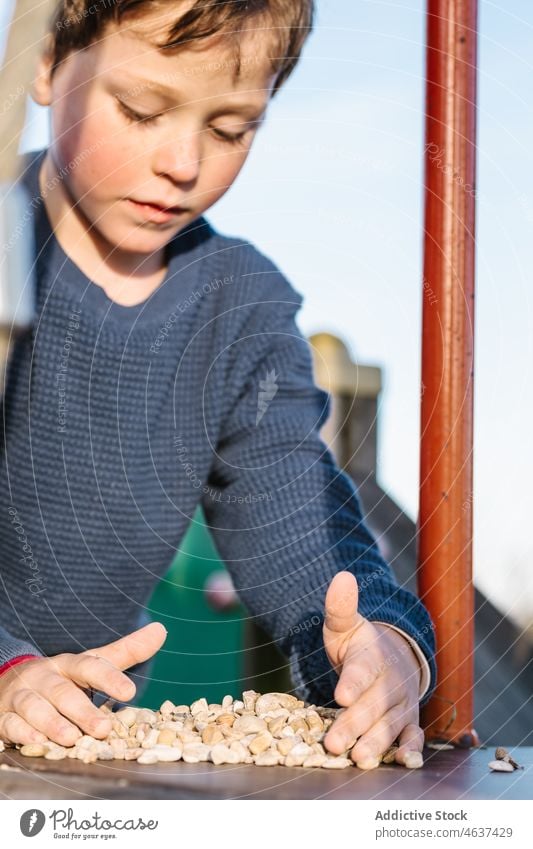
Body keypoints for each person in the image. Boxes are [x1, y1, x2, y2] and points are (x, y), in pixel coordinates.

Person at [0, 0, 436, 770]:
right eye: (139, 109)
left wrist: (382, 645)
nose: (183, 162)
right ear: (44, 65)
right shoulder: (8, 246)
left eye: (231, 128)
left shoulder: (240, 311)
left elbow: (299, 525)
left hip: (78, 761)